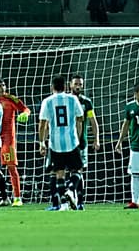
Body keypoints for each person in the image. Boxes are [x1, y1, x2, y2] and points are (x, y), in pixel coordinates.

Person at [38, 74, 85, 211]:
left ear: (52, 87)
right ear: (65, 86)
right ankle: (71, 189)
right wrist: (78, 134)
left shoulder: (47, 101)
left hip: (55, 142)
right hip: (71, 140)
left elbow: (42, 124)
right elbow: (80, 118)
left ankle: (63, 204)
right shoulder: (72, 99)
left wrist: (42, 142)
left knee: (59, 173)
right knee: (77, 170)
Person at [0, 78, 31, 207]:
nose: (3, 88)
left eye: (4, 85)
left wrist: (25, 114)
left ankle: (17, 197)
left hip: (8, 140)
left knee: (11, 167)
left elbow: (25, 109)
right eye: (0, 85)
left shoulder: (10, 99)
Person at [68, 72, 101, 207]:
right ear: (70, 85)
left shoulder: (86, 102)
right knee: (68, 171)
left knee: (79, 170)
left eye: (80, 84)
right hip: (66, 142)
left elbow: (93, 121)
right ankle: (71, 197)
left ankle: (79, 200)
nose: (78, 86)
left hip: (81, 142)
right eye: (75, 84)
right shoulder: (66, 100)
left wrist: (96, 139)